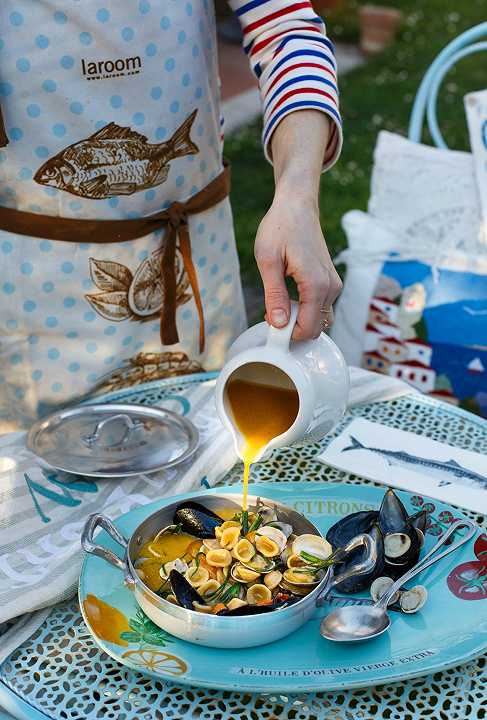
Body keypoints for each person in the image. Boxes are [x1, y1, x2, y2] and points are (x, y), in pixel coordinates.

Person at [0, 0, 342, 431]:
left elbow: (285, 29)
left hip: (196, 262)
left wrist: (298, 197)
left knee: (215, 467)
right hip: (34, 299)